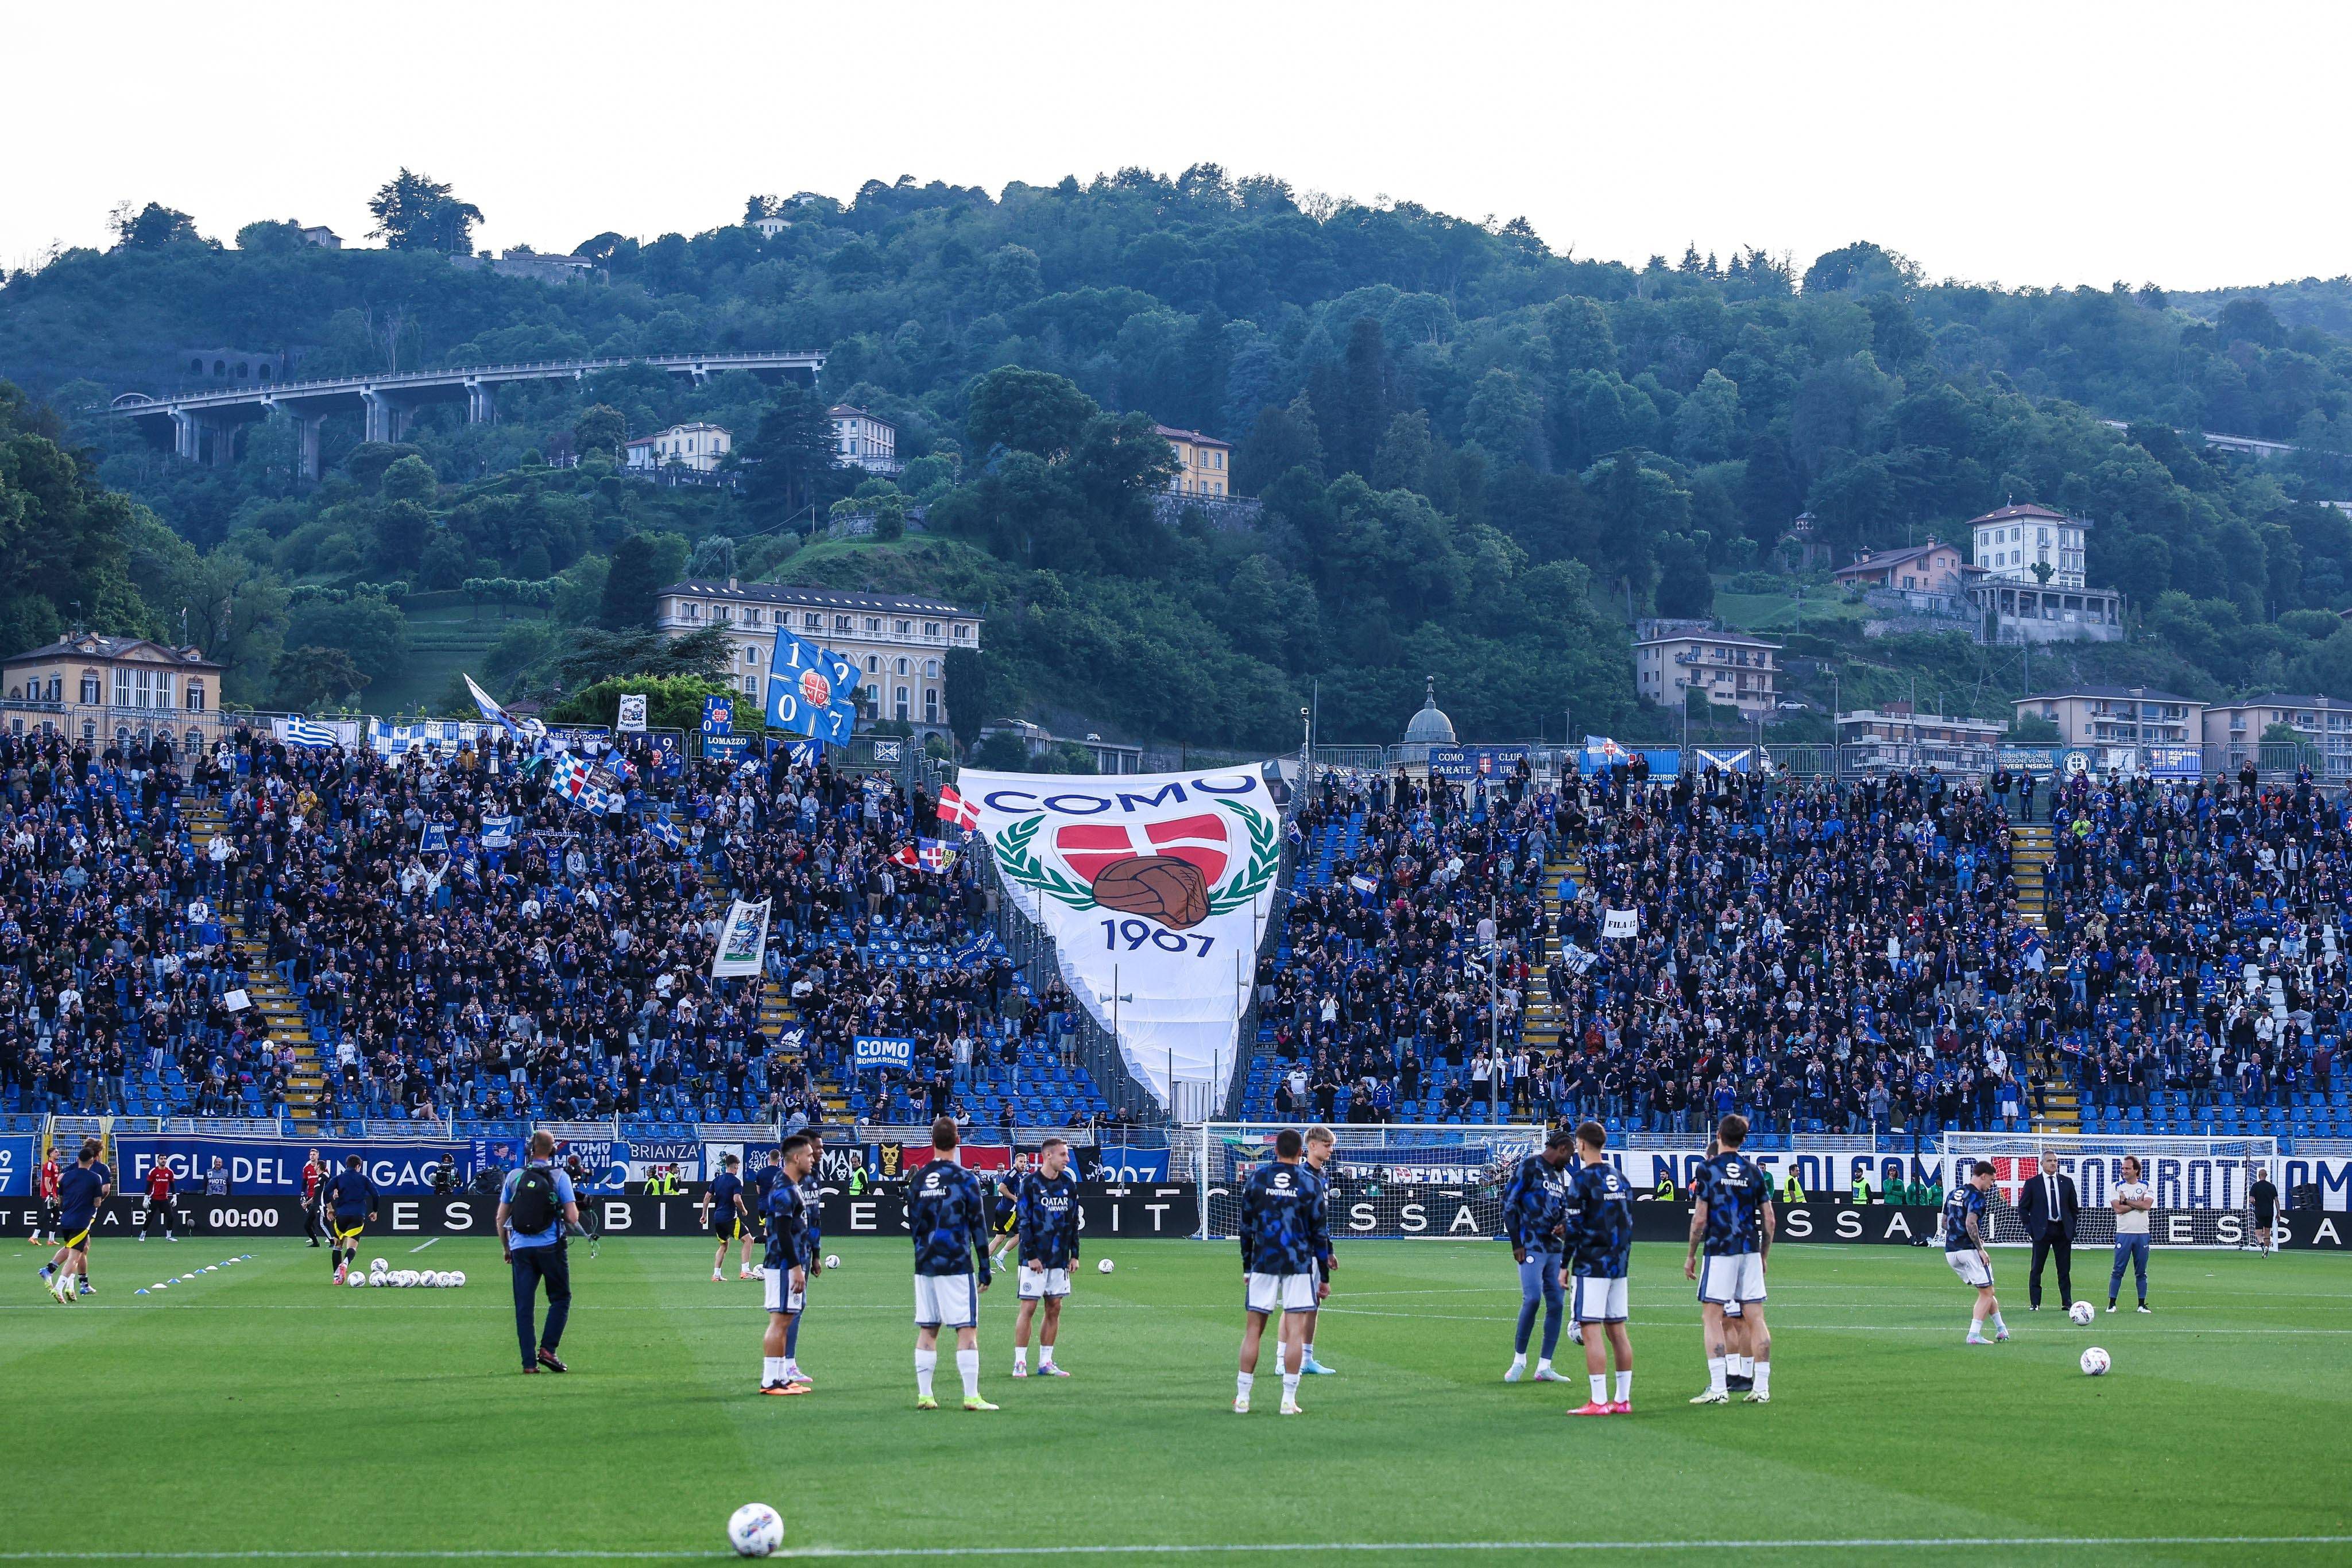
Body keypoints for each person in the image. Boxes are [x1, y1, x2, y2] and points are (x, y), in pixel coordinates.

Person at [1235, 1126, 1329, 1416]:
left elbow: (1246, 1228)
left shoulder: (1258, 1178)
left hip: (1264, 1261)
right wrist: (1324, 1277)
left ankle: (1243, 1398)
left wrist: (1247, 1266)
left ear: (1275, 1150)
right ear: (1301, 1151)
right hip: (1298, 1264)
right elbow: (1319, 1233)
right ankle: (1288, 1400)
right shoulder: (1309, 1182)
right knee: (1296, 1332)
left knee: (1253, 1331)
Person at [1685, 1114, 1775, 1405]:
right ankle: (1761, 1388)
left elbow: (1700, 1219)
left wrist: (1691, 1255)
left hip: (1720, 1249)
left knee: (1712, 1317)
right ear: (1743, 1140)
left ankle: (1718, 1388)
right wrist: (1763, 1256)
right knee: (1756, 1318)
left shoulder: (1708, 1169)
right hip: (1749, 1250)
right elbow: (1770, 1220)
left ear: (1719, 1135)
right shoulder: (1754, 1172)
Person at [909, 1117, 995, 1411]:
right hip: (956, 1263)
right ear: (958, 1140)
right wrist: (985, 1266)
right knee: (966, 1329)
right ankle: (971, 1396)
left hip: (925, 1265)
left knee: (928, 1328)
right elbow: (978, 1225)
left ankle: (925, 1395)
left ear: (932, 1141)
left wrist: (922, 1254)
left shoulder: (919, 1179)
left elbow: (914, 1226)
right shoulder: (965, 1178)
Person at [1565, 1121, 1636, 1416]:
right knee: (1617, 1330)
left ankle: (1598, 1401)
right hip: (1618, 1264)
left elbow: (1573, 1227)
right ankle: (1623, 1400)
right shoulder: (1620, 1178)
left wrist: (1563, 1265)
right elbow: (1628, 1223)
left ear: (1582, 1144)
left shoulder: (1582, 1180)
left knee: (1591, 1328)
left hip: (1591, 1264)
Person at [498, 1129, 581, 1374]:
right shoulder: (559, 1176)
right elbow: (572, 1217)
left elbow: (501, 1217)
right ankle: (548, 1350)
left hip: (520, 1248)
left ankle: (529, 1364)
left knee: (524, 1306)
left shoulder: (514, 1176)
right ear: (553, 1150)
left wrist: (506, 1248)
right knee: (560, 1298)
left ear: (530, 1149)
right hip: (551, 1246)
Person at [1502, 1128, 1575, 1384]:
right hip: (1531, 1245)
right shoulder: (1530, 1166)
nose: (1570, 1160)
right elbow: (1509, 1203)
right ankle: (1519, 1361)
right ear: (1562, 1149)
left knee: (1556, 1304)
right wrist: (1516, 1243)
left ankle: (1545, 1366)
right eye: (1570, 1155)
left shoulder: (1557, 1176)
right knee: (1532, 1298)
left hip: (1554, 1249)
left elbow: (1563, 1209)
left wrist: (1564, 1224)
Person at [1012, 1136, 1080, 1377]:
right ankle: (1020, 1361)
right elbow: (1024, 1222)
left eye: (1067, 1154)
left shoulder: (1069, 1184)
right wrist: (1031, 1255)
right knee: (1029, 1307)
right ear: (1048, 1155)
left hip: (1059, 1259)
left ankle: (1046, 1362)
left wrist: (1075, 1254)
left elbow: (1073, 1221)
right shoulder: (1030, 1184)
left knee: (1055, 1307)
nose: (1067, 1159)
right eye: (1063, 1154)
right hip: (1033, 1260)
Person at [757, 1135, 818, 1396]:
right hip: (782, 1265)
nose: (813, 1159)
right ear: (796, 1157)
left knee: (786, 1319)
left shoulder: (791, 1186)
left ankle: (782, 1377)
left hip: (790, 1264)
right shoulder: (784, 1188)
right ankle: (770, 1381)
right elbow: (782, 1232)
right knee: (780, 1321)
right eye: (809, 1155)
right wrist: (795, 1267)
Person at [1944, 1161, 2009, 1344]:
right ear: (1983, 1176)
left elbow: (1944, 1223)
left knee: (1986, 1290)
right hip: (1969, 1251)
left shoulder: (1953, 1193)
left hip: (1951, 1252)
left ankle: (2002, 1330)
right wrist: (1980, 1249)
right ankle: (1973, 1334)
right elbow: (1971, 1223)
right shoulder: (1977, 1196)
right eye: (1991, 1180)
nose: (1992, 1184)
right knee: (1987, 1293)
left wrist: (1958, 1236)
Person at [41, 1140, 110, 1304]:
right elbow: (103, 1194)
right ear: (95, 1156)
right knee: (76, 1254)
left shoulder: (68, 1172)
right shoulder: (99, 1173)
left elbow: (60, 1192)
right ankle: (60, 1284)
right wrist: (92, 1201)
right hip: (84, 1217)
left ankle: (73, 1285)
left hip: (67, 1216)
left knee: (80, 1248)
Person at [1297, 1125, 1339, 1376]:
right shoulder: (1301, 1175)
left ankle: (1307, 1359)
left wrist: (1328, 1249)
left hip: (1317, 1248)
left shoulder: (1323, 1175)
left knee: (1313, 1304)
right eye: (1327, 1145)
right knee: (1295, 1306)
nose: (1331, 1150)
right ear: (1312, 1145)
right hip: (1301, 1249)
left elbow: (1321, 1219)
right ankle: (1282, 1359)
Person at [2016, 1159, 2079, 1311]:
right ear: (2042, 1163)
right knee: (2037, 1268)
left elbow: (2074, 1208)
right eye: (2050, 1161)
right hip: (2042, 1231)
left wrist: (2071, 1227)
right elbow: (2023, 1208)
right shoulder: (2032, 1183)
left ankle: (2067, 1302)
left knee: (2064, 1269)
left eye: (2055, 1161)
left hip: (2062, 1230)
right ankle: (2035, 1303)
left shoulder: (2067, 1182)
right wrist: (2031, 1229)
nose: (2053, 1164)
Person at [2107, 1155, 2154, 1313]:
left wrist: (2126, 1201)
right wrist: (2137, 1204)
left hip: (2142, 1233)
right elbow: (2118, 1209)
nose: (2124, 1171)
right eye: (2123, 1168)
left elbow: (2147, 1206)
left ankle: (2141, 1305)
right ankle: (2112, 1304)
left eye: (2127, 1168)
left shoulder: (2147, 1185)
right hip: (2124, 1233)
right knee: (2118, 1270)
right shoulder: (2116, 1186)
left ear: (2136, 1170)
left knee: (2141, 1272)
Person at [323, 1154, 378, 1286]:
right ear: (358, 1166)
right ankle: (345, 1264)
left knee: (337, 1246)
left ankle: (337, 1277)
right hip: (358, 1216)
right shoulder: (364, 1179)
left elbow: (325, 1192)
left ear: (346, 1165)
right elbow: (376, 1195)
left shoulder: (338, 1178)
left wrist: (330, 1209)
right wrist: (375, 1211)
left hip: (341, 1216)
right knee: (352, 1246)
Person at [699, 1153, 750, 1283]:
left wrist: (704, 1214)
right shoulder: (737, 1181)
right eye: (738, 1167)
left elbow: (707, 1197)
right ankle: (745, 1270)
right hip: (730, 1218)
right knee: (749, 1240)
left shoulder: (717, 1180)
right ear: (736, 1167)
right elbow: (737, 1199)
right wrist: (744, 1210)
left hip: (718, 1219)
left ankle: (716, 1274)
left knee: (724, 1245)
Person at [139, 1160, 177, 1242]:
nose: (163, 1160)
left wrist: (175, 1196)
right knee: (149, 1218)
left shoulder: (170, 1172)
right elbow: (149, 1185)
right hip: (154, 1198)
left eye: (165, 1159)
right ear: (158, 1161)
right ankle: (143, 1234)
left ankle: (169, 1236)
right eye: (161, 1159)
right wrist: (146, 1197)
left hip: (164, 1199)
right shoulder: (153, 1172)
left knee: (171, 1217)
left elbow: (172, 1184)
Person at [2249, 1162, 2281, 1255]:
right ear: (2266, 1176)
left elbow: (2251, 1200)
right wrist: (2279, 1213)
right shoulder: (2272, 1186)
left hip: (2259, 1211)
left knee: (2258, 1233)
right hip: (2269, 1212)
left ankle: (2262, 1245)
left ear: (2259, 1176)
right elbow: (2276, 1200)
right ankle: (2266, 1252)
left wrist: (2257, 1204)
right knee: (2267, 1232)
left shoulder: (2255, 1186)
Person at [34, 1148, 60, 1245]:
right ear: (50, 1154)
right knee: (47, 1215)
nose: (58, 1153)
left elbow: (54, 1182)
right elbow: (47, 1181)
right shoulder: (49, 1165)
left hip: (53, 1195)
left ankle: (51, 1239)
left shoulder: (55, 1166)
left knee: (56, 1215)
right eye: (56, 1152)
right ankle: (34, 1236)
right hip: (48, 1195)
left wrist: (55, 1194)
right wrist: (50, 1194)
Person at [300, 1150, 326, 1248]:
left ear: (318, 1156)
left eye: (314, 1154)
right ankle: (314, 1238)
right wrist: (303, 1194)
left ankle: (330, 1238)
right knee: (309, 1220)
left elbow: (328, 1180)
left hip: (319, 1197)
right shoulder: (307, 1168)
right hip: (310, 1196)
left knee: (322, 1219)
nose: (312, 1156)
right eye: (311, 1155)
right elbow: (304, 1182)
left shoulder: (322, 1169)